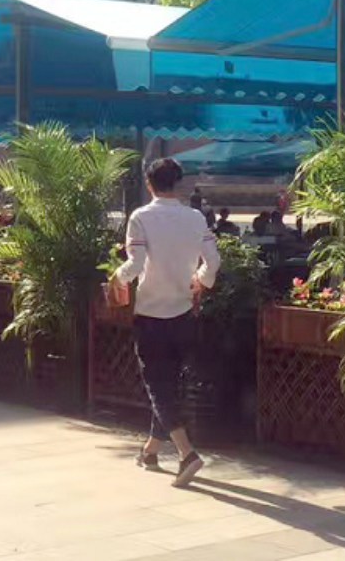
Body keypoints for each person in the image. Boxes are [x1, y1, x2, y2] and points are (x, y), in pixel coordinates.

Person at [107, 158, 220, 488]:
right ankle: (150, 451)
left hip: (151, 314)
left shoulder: (141, 217)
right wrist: (201, 281)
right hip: (184, 313)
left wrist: (117, 278)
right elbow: (213, 260)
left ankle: (187, 453)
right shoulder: (195, 217)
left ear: (149, 183)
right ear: (178, 183)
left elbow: (135, 263)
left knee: (159, 386)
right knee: (169, 385)